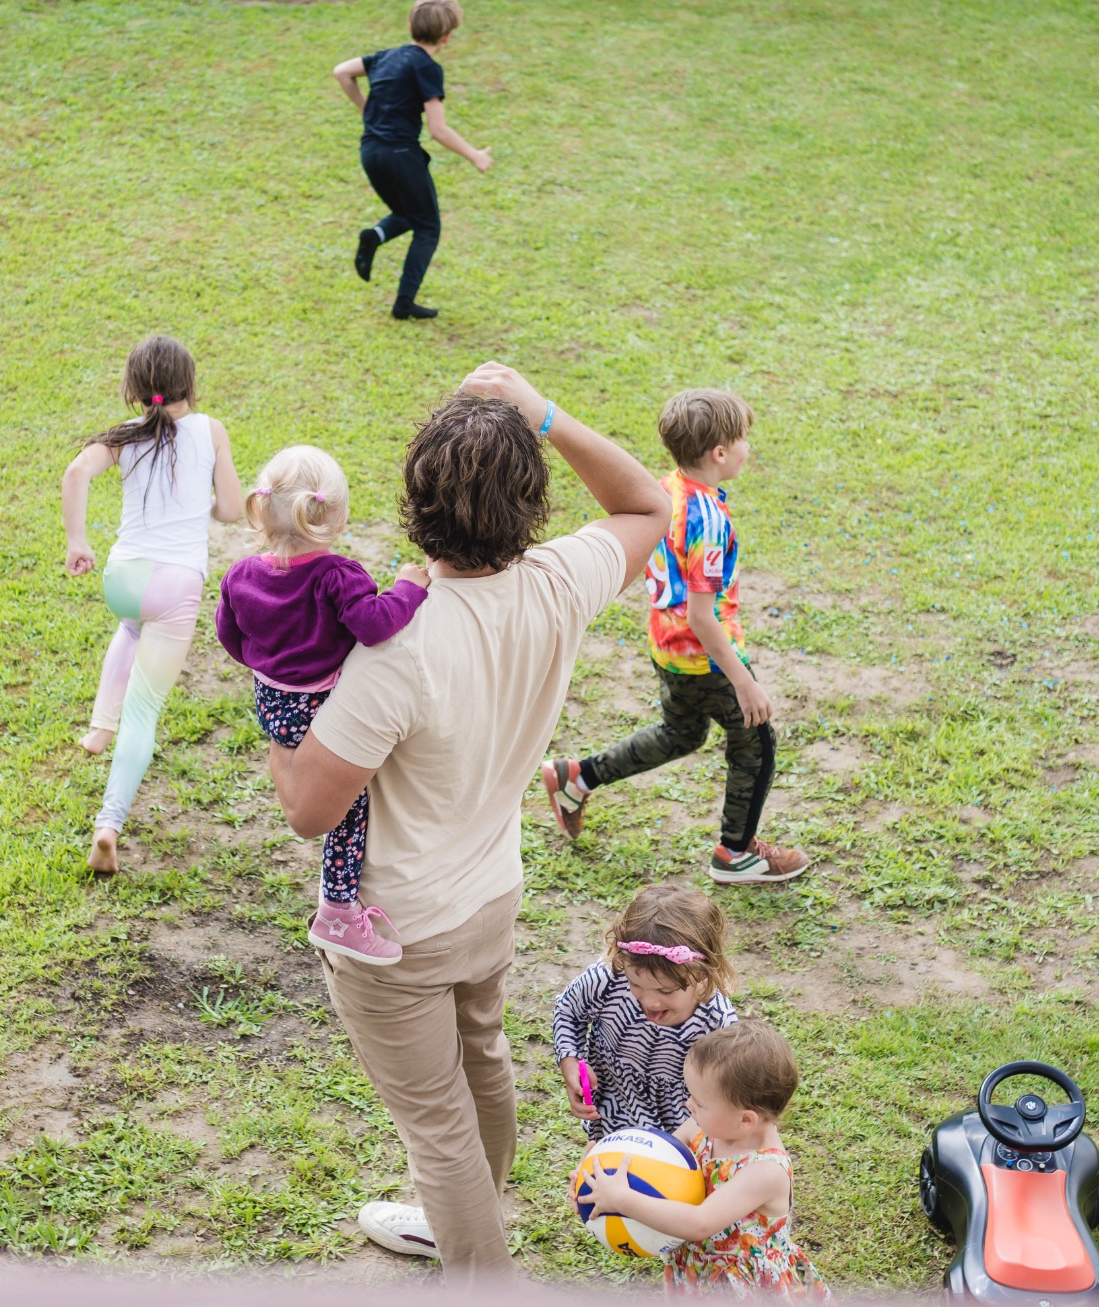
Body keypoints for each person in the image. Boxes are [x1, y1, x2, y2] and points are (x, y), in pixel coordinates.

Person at [265, 362, 670, 1281]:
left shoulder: (395, 647)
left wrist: (278, 697)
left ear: (416, 501)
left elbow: (307, 809)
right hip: (489, 897)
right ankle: (463, 1219)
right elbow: (647, 504)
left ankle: (480, 1271)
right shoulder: (558, 580)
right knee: (481, 1062)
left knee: (437, 1126)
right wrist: (545, 412)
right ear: (530, 503)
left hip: (398, 932)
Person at [541, 389, 812, 884]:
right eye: (743, 438)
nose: (749, 447)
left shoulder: (665, 490)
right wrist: (745, 682)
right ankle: (736, 853)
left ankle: (577, 776)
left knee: (681, 732)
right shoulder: (708, 520)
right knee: (756, 744)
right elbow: (703, 616)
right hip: (706, 656)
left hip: (667, 647)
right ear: (721, 453)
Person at [215, 446, 432, 965]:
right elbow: (375, 625)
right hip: (319, 706)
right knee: (348, 808)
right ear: (334, 517)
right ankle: (337, 910)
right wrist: (409, 587)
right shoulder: (337, 576)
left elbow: (229, 635)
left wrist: (268, 664)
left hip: (271, 703)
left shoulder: (240, 575)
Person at [61, 335, 244, 874]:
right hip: (174, 585)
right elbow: (231, 510)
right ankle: (108, 825)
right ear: (189, 383)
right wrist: (200, 502)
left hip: (122, 578)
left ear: (135, 387)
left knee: (131, 627)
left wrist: (77, 542)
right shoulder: (210, 430)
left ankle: (99, 729)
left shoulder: (124, 435)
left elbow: (75, 473)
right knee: (144, 710)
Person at [582, 1022, 831, 1301]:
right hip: (697, 1271)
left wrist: (621, 1199)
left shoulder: (766, 1171)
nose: (688, 1105)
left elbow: (700, 1223)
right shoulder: (702, 1128)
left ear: (745, 1119)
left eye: (699, 1103)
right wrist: (595, 1172)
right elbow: (652, 1164)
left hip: (743, 1287)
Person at [332, 0, 492, 321]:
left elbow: (342, 72)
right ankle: (404, 303)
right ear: (447, 36)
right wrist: (474, 155)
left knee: (408, 213)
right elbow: (438, 129)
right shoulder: (427, 68)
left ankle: (374, 237)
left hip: (371, 152)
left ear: (411, 27)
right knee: (428, 227)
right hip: (400, 155)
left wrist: (367, 109)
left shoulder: (385, 57)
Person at [554, 885, 738, 1141]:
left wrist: (677, 1144)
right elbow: (568, 1010)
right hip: (615, 1110)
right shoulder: (607, 980)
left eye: (665, 990)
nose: (650, 1002)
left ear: (701, 973)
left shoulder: (717, 1022)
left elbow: (726, 1093)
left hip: (683, 1128)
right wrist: (570, 1061)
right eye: (636, 984)